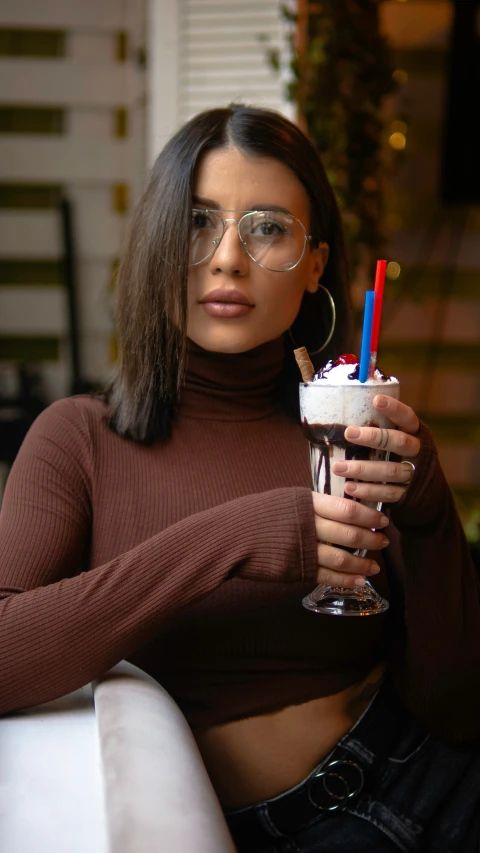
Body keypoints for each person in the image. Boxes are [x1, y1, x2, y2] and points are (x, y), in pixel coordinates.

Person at [1, 105, 479, 852]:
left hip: (426, 789)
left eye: (266, 227)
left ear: (315, 261)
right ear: (159, 244)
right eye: (197, 222)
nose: (227, 258)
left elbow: (457, 707)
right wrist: (238, 535)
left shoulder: (351, 436)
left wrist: (426, 507)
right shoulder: (79, 439)